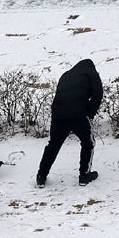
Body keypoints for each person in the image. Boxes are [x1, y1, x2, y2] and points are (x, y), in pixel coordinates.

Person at [36, 59, 103, 188]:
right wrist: (90, 113)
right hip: (78, 114)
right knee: (88, 142)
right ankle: (84, 175)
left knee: (53, 145)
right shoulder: (91, 72)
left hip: (58, 114)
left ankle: (41, 176)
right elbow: (98, 94)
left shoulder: (66, 74)